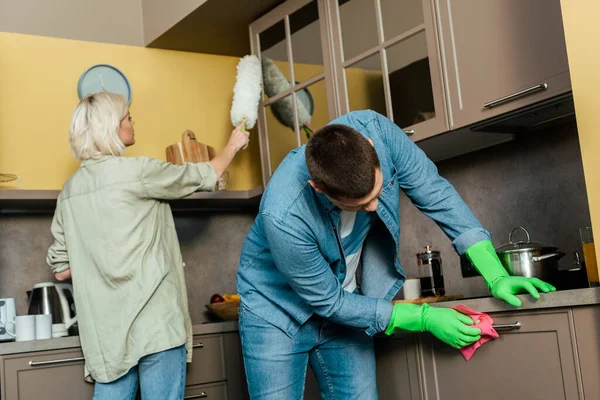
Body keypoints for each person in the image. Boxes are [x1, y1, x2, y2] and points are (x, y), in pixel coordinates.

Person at [236, 110, 555, 399]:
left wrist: (495, 272)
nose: (374, 208)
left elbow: (436, 194)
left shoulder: (378, 131)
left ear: (372, 147)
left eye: (378, 193)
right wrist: (423, 317)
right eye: (360, 205)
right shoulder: (282, 214)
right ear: (318, 188)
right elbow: (329, 301)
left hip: (350, 302)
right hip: (276, 310)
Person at [46, 92, 249, 400]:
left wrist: (96, 259)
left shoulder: (69, 192)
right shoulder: (138, 172)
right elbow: (205, 175)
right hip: (156, 325)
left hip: (107, 337)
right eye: (127, 117)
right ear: (111, 127)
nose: (132, 121)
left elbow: (60, 271)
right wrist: (233, 144)